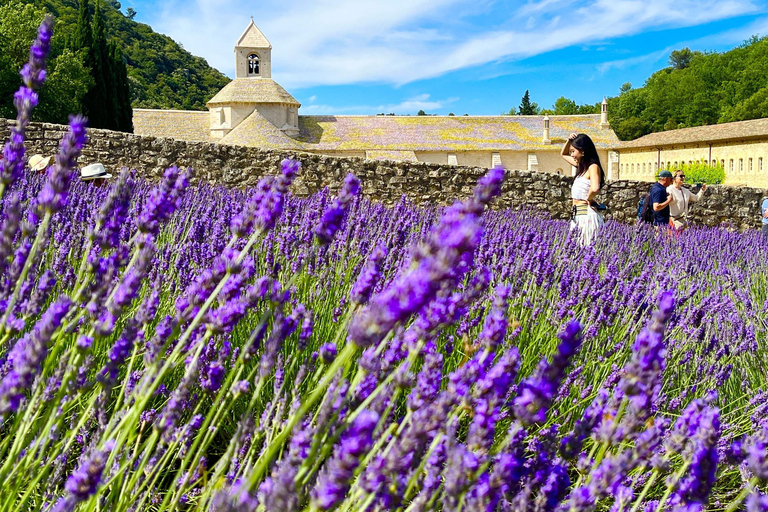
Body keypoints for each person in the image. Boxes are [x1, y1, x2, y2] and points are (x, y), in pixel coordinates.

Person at [561, 133, 606, 245]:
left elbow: (595, 188)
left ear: (582, 150)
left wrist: (589, 199)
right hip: (577, 215)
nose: (571, 155)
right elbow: (563, 154)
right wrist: (569, 140)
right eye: (571, 151)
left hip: (586, 216)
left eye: (573, 151)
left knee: (586, 251)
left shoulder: (593, 166)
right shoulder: (582, 167)